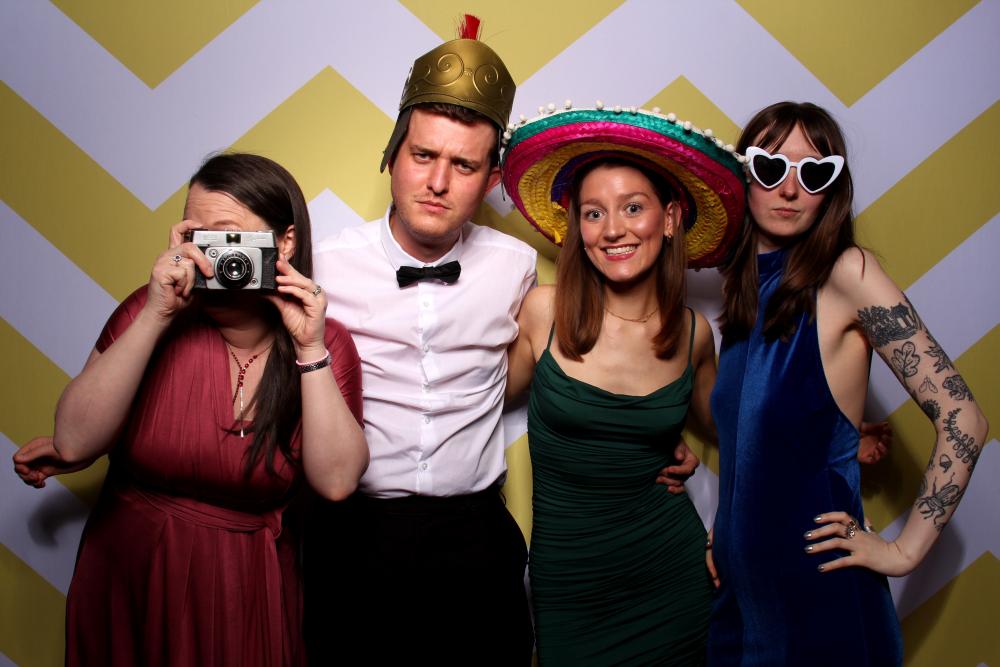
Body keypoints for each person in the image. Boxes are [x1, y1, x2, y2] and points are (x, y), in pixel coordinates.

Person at [302, 24, 701, 663]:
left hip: (475, 540)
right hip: (355, 534)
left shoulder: (515, 268)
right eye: (423, 155)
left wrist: (650, 437)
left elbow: (566, 364)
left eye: (463, 165)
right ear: (392, 155)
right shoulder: (324, 264)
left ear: (490, 178)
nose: (438, 181)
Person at [13, 153, 367, 666]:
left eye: (227, 236)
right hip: (131, 574)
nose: (210, 255)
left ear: (284, 242)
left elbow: (336, 482)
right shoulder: (149, 312)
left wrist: (309, 348)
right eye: (197, 237)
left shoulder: (324, 341)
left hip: (245, 587)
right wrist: (156, 314)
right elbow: (73, 441)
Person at [707, 102, 989, 666]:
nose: (790, 189)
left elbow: (965, 418)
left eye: (814, 174)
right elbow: (758, 447)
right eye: (771, 167)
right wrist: (728, 529)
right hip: (743, 602)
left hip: (820, 602)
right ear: (743, 174)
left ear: (831, 190)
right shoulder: (743, 290)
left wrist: (902, 552)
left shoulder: (846, 272)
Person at [502, 106, 747, 664]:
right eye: (594, 213)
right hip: (570, 590)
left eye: (633, 207)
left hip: (672, 576)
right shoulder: (543, 313)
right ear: (578, 227)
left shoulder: (694, 334)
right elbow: (470, 399)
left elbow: (735, 433)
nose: (613, 229)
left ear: (670, 218)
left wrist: (829, 438)